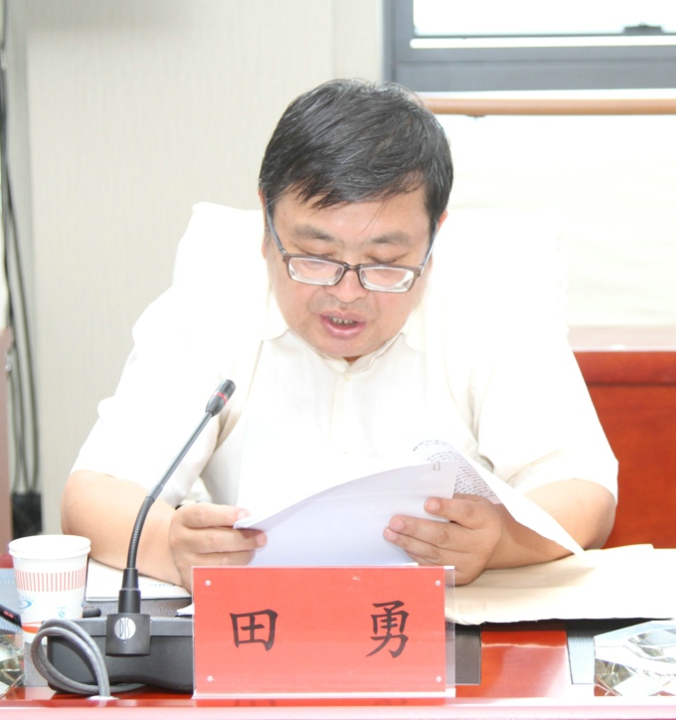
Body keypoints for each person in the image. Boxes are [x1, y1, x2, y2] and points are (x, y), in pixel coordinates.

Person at [61, 79, 617, 591]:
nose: (346, 294)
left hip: (447, 637)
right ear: (266, 225)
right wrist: (169, 545)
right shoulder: (205, 309)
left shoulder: (494, 308)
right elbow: (94, 493)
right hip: (259, 635)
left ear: (434, 235)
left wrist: (498, 542)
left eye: (385, 262)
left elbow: (584, 489)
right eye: (315, 256)